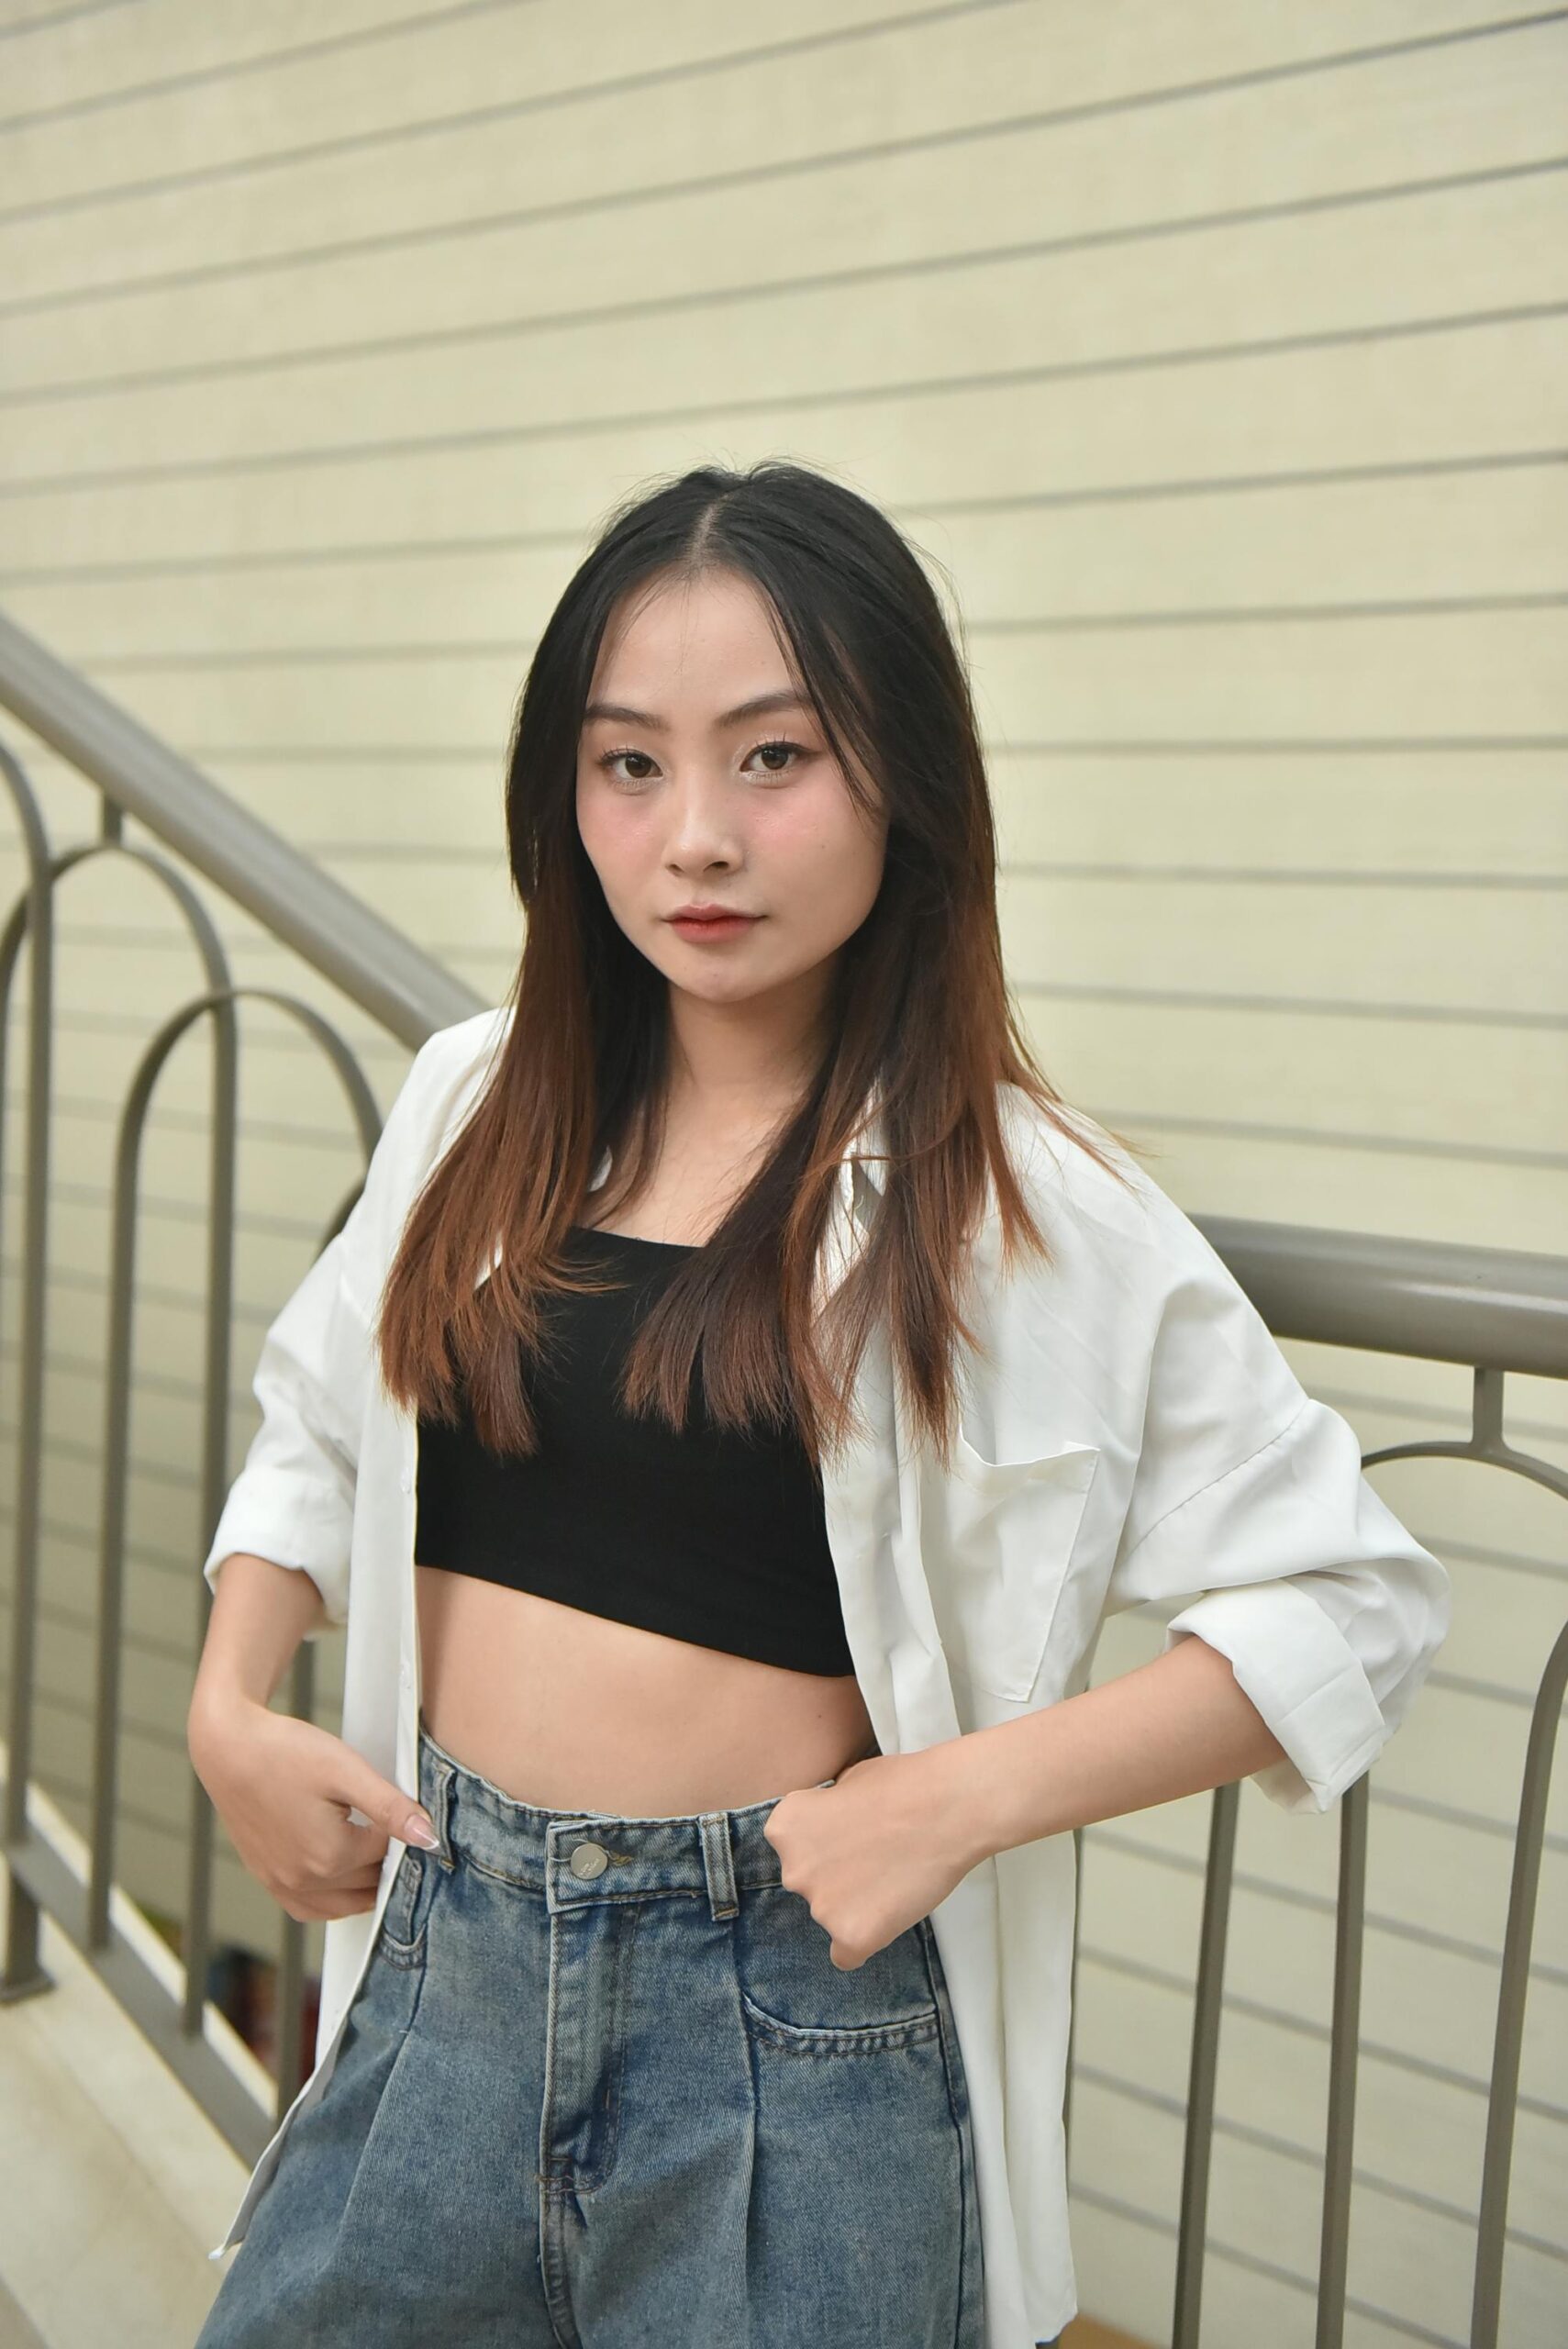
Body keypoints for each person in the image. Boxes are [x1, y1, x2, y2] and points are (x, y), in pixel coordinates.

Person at [187, 461, 1449, 2349]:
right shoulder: (477, 1098)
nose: (694, 835)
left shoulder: (1020, 1203)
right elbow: (316, 1420)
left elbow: (1350, 1593)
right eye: (630, 765)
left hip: (782, 2019)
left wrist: (953, 1799)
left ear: (904, 781)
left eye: (771, 757)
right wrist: (227, 1703)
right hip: (444, 1957)